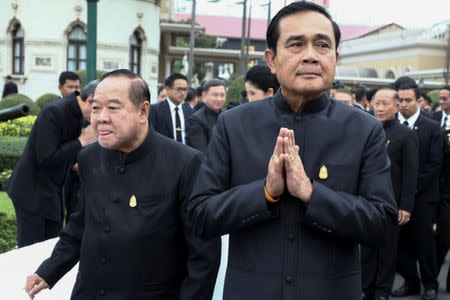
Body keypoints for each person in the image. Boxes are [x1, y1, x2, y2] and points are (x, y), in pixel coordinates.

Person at [187, 2, 397, 300]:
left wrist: (312, 193)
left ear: (336, 57)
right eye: (296, 44)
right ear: (271, 59)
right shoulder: (234, 125)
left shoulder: (365, 130)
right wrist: (265, 192)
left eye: (322, 45)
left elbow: (382, 225)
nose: (310, 55)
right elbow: (200, 215)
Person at [24, 69, 220, 300]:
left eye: (113, 108)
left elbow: (203, 257)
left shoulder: (185, 162)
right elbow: (82, 224)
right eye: (96, 108)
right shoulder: (89, 157)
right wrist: (49, 269)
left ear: (143, 111)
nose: (101, 117)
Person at [6, 81, 96, 248]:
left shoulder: (81, 115)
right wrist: (82, 141)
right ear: (90, 100)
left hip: (54, 193)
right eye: (99, 108)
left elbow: (67, 153)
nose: (101, 115)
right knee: (31, 253)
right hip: (32, 193)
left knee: (51, 249)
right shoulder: (54, 112)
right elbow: (46, 157)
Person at [361, 88, 419, 300]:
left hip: (392, 202)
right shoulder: (366, 129)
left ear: (396, 106)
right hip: (366, 200)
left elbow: (411, 173)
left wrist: (406, 205)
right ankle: (365, 288)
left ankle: (382, 291)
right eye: (377, 103)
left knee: (387, 250)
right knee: (366, 248)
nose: (380, 108)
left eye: (386, 104)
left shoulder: (406, 134)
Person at [392, 77, 442, 300]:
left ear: (419, 100)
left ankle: (430, 285)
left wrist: (410, 189)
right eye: (400, 100)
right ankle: (410, 282)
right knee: (400, 244)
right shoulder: (389, 125)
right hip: (395, 196)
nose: (403, 104)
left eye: (408, 100)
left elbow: (434, 165)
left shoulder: (432, 127)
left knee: (425, 244)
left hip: (423, 197)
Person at [433, 85, 450, 293]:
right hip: (443, 189)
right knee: (443, 237)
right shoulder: (434, 119)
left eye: (446, 98)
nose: (442, 101)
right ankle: (432, 276)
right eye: (442, 98)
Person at [150, 73, 194, 144]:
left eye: (185, 89)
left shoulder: (190, 111)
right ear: (167, 89)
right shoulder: (155, 110)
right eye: (179, 89)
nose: (183, 93)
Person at [186, 79, 226, 153]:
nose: (219, 99)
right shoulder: (196, 120)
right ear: (204, 95)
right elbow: (201, 152)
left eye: (222, 95)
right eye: (215, 95)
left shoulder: (227, 116)